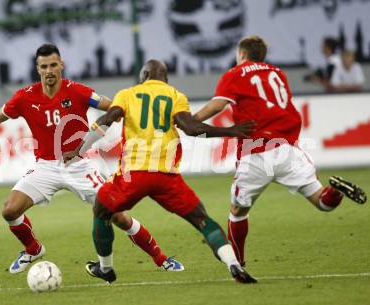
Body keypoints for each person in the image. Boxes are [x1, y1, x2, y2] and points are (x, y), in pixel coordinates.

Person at [0, 44, 184, 274]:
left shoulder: (78, 91)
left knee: (117, 215)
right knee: (9, 210)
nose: (49, 71)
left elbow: (111, 107)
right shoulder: (25, 97)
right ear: (37, 69)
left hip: (80, 165)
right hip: (45, 167)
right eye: (44, 66)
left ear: (61, 65)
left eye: (53, 65)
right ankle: (33, 250)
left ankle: (161, 259)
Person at [75, 59, 258, 284]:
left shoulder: (127, 93)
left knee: (101, 210)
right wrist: (230, 130)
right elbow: (192, 129)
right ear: (166, 78)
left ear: (143, 76)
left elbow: (108, 118)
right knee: (202, 220)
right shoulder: (175, 95)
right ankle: (233, 264)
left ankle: (105, 268)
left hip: (134, 173)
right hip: (166, 176)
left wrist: (80, 148)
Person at [193, 35, 367, 267]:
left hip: (256, 151)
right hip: (288, 149)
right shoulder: (278, 73)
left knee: (237, 212)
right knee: (323, 202)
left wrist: (192, 121)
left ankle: (238, 264)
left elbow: (218, 105)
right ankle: (336, 191)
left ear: (242, 54)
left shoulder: (235, 74)